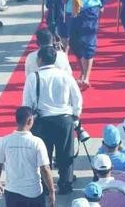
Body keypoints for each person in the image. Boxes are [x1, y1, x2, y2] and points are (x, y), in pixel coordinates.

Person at [22, 45, 82, 195]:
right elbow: (77, 97)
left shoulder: (33, 77)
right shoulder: (65, 75)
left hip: (42, 122)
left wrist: (29, 121)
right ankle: (66, 184)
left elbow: (27, 103)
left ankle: (45, 185)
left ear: (40, 59)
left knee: (43, 155)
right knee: (65, 154)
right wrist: (75, 115)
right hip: (64, 120)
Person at [0, 106, 55, 207]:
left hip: (12, 192)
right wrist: (52, 191)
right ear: (30, 120)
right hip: (34, 193)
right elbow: (45, 169)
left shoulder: (5, 141)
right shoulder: (37, 142)